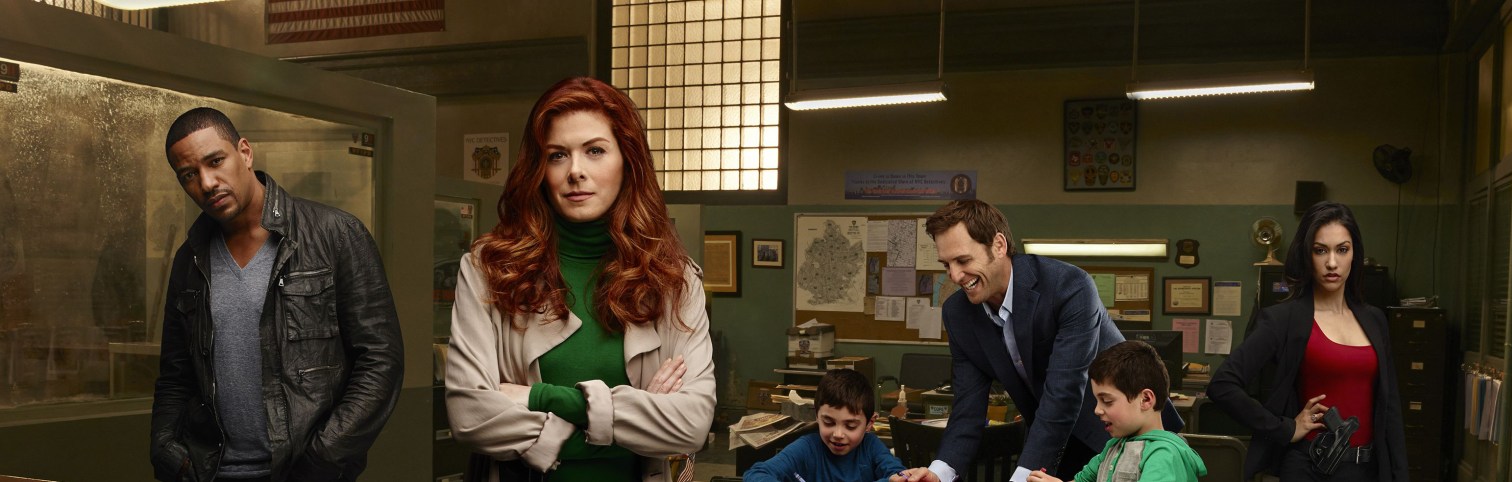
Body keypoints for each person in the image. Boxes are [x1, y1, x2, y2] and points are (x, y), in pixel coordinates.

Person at [444, 76, 715, 482]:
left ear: (627, 161)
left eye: (595, 151)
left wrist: (539, 397)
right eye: (557, 155)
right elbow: (469, 416)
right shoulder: (489, 269)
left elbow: (691, 425)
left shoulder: (674, 279)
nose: (575, 171)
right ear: (539, 169)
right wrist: (634, 420)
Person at [150, 107, 406, 482]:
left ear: (245, 152)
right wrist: (165, 449)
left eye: (215, 161)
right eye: (189, 175)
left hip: (303, 471)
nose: (206, 183)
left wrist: (322, 458)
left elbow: (381, 362)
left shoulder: (335, 234)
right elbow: (176, 375)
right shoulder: (189, 259)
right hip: (211, 472)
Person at [899, 200, 1182, 482]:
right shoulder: (958, 313)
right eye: (946, 264)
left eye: (963, 261)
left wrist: (1022, 477)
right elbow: (967, 404)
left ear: (998, 245)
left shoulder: (1069, 286)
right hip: (1049, 445)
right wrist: (939, 473)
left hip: (1126, 437)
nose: (955, 276)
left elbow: (1063, 391)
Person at [1206, 201, 1409, 482]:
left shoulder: (1374, 319)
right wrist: (1284, 428)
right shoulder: (1283, 319)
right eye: (1320, 250)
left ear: (1355, 254)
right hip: (1308, 468)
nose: (1332, 263)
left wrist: (1400, 474)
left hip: (1367, 470)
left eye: (1342, 249)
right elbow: (1222, 385)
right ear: (1306, 254)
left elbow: (1391, 408)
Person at [1027, 341, 1207, 482]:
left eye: (1107, 401)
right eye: (1097, 401)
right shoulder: (1113, 447)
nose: (1097, 410)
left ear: (1145, 399)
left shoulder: (1163, 456)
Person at [743, 369, 906, 482]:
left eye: (850, 426)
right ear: (817, 416)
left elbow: (898, 474)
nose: (838, 434)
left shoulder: (871, 447)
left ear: (869, 423)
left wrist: (900, 477)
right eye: (828, 422)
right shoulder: (807, 447)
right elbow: (756, 474)